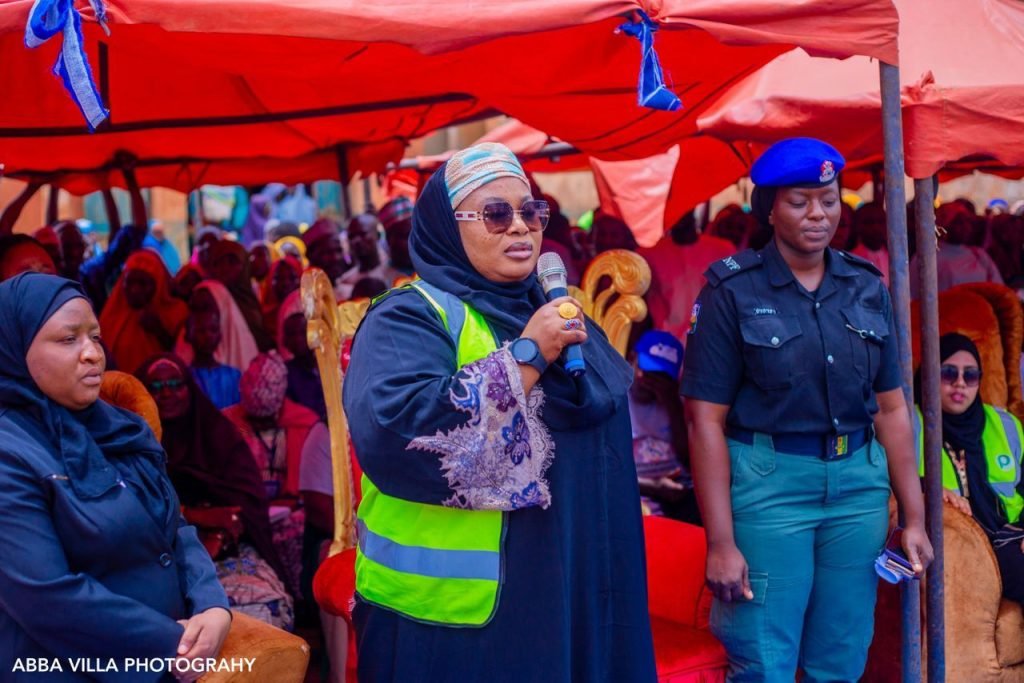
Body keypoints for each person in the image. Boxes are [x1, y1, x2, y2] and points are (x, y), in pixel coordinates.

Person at [343, 142, 655, 681]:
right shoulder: (410, 316)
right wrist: (525, 357)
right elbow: (395, 429)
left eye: (531, 211)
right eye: (495, 213)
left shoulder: (557, 312)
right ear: (447, 226)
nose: (521, 227)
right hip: (451, 617)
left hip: (566, 587)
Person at [682, 137, 933, 682]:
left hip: (858, 490)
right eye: (799, 202)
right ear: (769, 210)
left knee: (841, 656)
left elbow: (892, 408)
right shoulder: (731, 291)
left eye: (828, 199)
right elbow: (705, 419)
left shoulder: (866, 286)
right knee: (763, 659)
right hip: (769, 487)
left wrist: (913, 517)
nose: (818, 214)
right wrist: (721, 542)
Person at [0, 274, 231, 678]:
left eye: (95, 337)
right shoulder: (11, 451)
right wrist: (167, 643)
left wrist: (212, 605)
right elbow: (46, 597)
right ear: (16, 350)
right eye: (68, 339)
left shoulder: (123, 428)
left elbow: (174, 528)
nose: (92, 353)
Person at [138, 353, 287, 584]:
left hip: (230, 545)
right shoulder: (136, 444)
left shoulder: (219, 436)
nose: (166, 393)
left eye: (176, 384)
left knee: (261, 599)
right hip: (158, 553)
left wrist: (219, 532)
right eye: (156, 387)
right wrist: (197, 515)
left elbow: (246, 503)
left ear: (191, 389)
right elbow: (138, 508)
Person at [916, 333, 1024, 605]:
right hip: (965, 549)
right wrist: (927, 487)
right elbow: (888, 479)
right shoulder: (910, 424)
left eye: (970, 375)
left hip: (1012, 535)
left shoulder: (1005, 424)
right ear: (928, 374)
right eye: (948, 373)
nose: (960, 383)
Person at [223, 352, 318, 597]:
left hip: (291, 511)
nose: (262, 425)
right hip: (246, 511)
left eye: (267, 420)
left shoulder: (305, 422)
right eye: (256, 420)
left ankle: (302, 603)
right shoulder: (227, 423)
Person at [628, 330, 697, 522]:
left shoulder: (678, 402)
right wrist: (653, 486)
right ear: (632, 359)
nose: (649, 382)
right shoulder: (616, 399)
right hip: (635, 488)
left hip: (679, 492)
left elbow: (689, 462)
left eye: (660, 377)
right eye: (647, 372)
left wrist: (671, 403)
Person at [640, 211, 735, 344]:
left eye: (686, 212)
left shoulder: (723, 250)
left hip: (710, 340)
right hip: (665, 345)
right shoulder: (650, 254)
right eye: (678, 213)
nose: (681, 219)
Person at [100, 249, 189, 374]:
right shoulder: (112, 313)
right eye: (129, 282)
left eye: (143, 283)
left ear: (158, 283)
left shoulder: (176, 312)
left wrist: (160, 331)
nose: (135, 289)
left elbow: (185, 357)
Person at [910, 201, 1003, 298]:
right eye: (958, 222)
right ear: (944, 225)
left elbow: (999, 290)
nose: (965, 227)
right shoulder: (926, 258)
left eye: (967, 221)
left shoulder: (979, 255)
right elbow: (914, 296)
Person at [176, 280, 259, 373]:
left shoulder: (244, 349)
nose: (200, 316)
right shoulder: (185, 343)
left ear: (223, 308)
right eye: (194, 308)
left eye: (205, 308)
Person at [278, 291, 327, 421]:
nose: (298, 339)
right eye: (292, 334)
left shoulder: (326, 363)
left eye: (302, 332)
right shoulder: (285, 374)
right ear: (285, 342)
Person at [185, 308, 243, 410]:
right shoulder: (185, 378)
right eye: (201, 331)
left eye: (213, 330)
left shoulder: (234, 376)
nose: (208, 336)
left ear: (220, 335)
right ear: (189, 335)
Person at [336, 213, 402, 300]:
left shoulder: (396, 274)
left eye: (363, 234)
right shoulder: (345, 281)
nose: (356, 241)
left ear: (377, 236)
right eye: (351, 237)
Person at [302, 218, 348, 299]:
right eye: (328, 253)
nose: (336, 258)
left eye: (338, 250)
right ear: (311, 256)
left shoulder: (350, 291)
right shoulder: (303, 300)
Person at [261, 254, 302, 339]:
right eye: (279, 278)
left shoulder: (310, 315)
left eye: (292, 277)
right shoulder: (262, 319)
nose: (286, 283)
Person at [850, 201, 890, 284]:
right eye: (869, 222)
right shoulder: (852, 260)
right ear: (857, 226)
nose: (876, 227)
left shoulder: (894, 257)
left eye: (880, 221)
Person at [378, 196, 415, 275]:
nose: (415, 240)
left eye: (417, 233)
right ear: (389, 240)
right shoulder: (383, 281)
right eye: (406, 235)